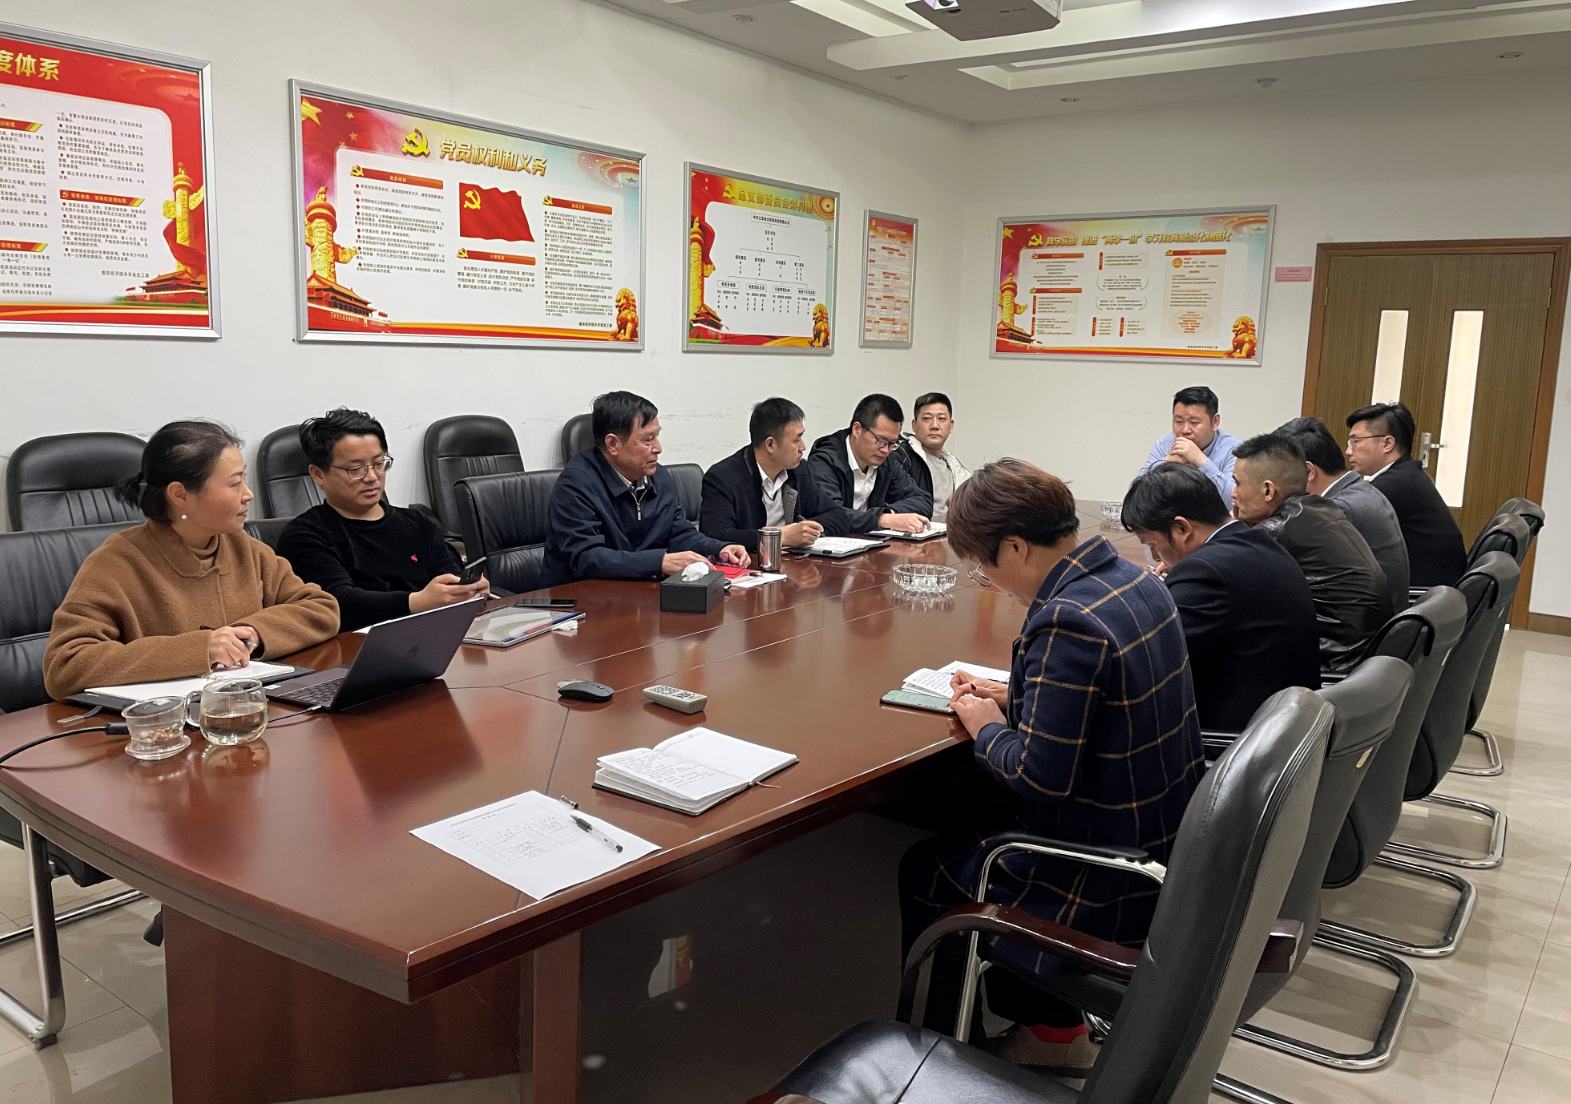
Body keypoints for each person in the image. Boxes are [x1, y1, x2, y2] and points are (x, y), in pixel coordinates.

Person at [900, 459, 1203, 1074]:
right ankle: (1041, 1020)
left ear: (1015, 547)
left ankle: (950, 1056)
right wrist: (1016, 692)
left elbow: (1039, 776)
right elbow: (1108, 701)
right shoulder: (1135, 581)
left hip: (1106, 870)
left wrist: (985, 723)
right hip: (1168, 837)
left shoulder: (1069, 619)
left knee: (927, 870)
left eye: (983, 565)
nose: (987, 579)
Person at [43, 421, 340, 698]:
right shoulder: (118, 562)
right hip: (161, 727)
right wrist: (200, 650)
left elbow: (321, 608)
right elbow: (65, 665)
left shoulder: (243, 547)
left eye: (245, 480)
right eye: (234, 484)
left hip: (246, 709)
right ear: (180, 495)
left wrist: (252, 633)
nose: (248, 494)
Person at [1123, 463, 1320, 732]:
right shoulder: (1257, 541)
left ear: (1182, 528)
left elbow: (1149, 657)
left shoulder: (1205, 571)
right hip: (1287, 726)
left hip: (1236, 739)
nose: (1156, 557)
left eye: (1152, 545)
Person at [278, 408, 488, 632]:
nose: (372, 477)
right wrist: (417, 602)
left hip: (433, 635)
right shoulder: (304, 536)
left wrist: (466, 590)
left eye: (379, 464)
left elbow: (448, 576)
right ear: (318, 474)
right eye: (355, 469)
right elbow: (337, 603)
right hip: (355, 646)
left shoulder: (417, 523)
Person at [542, 391, 749, 584]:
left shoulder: (658, 476)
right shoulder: (576, 485)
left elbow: (679, 533)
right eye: (648, 440)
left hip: (638, 594)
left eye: (657, 436)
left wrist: (720, 548)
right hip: (580, 600)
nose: (658, 448)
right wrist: (659, 562)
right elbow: (586, 559)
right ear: (613, 444)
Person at [1232, 433, 1392, 672]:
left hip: (1334, 667)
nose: (1233, 494)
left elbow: (1219, 575)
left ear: (1268, 491)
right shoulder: (1322, 508)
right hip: (1364, 665)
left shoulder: (1276, 532)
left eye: (1237, 483)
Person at [1277, 415, 1410, 612]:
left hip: (1365, 625)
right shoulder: (1359, 490)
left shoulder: (1338, 510)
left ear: (1308, 472)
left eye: (1278, 475)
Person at [1345, 401, 1467, 588]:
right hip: (1439, 592)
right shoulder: (1407, 476)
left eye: (1356, 441)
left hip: (1421, 593)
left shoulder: (1393, 486)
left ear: (1387, 443)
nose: (1348, 451)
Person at [698, 397, 826, 553]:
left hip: (791, 561)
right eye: (796, 440)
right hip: (748, 563)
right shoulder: (723, 478)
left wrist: (806, 532)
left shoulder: (799, 471)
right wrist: (778, 536)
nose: (803, 447)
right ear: (770, 444)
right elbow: (715, 535)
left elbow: (837, 515)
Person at [805, 393, 932, 536]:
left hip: (870, 544)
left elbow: (923, 499)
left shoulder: (886, 461)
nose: (886, 450)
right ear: (857, 429)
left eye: (892, 443)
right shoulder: (824, 461)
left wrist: (891, 513)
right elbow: (830, 516)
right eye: (881, 440)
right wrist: (882, 519)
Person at [1136, 385, 1241, 500]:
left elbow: (1235, 500)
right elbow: (1134, 495)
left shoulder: (1234, 449)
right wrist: (1165, 463)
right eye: (1179, 421)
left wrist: (1201, 461)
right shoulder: (1164, 444)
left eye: (1194, 422)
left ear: (1215, 422)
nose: (1185, 430)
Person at [891, 391, 971, 522]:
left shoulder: (953, 465)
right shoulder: (900, 456)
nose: (934, 426)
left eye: (941, 419)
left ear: (951, 426)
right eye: (927, 419)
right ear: (914, 425)